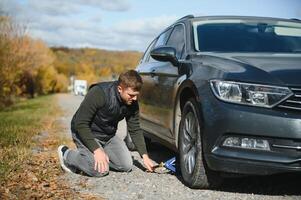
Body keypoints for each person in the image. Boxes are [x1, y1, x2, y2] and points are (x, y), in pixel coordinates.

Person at [58, 70, 154, 177]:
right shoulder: (99, 93)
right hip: (86, 132)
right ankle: (66, 154)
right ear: (119, 89)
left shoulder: (132, 102)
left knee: (126, 165)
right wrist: (97, 150)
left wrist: (145, 156)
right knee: (99, 171)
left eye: (136, 95)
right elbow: (80, 123)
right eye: (131, 95)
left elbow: (135, 129)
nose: (135, 98)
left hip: (107, 136)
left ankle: (96, 157)